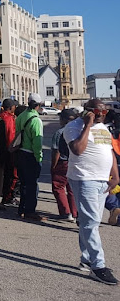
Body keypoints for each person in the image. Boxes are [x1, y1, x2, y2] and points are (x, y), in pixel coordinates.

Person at [64, 100, 119, 285]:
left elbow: (109, 151)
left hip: (103, 180)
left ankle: (87, 258)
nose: (103, 114)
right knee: (91, 221)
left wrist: (115, 175)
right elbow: (78, 150)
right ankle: (98, 265)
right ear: (88, 112)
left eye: (105, 111)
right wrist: (87, 125)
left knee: (91, 221)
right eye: (98, 111)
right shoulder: (73, 127)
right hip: (83, 178)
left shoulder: (103, 127)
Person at [15, 93, 45, 222]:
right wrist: (39, 158)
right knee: (32, 184)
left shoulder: (21, 116)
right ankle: (30, 211)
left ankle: (22, 208)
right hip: (30, 154)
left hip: (20, 152)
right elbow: (37, 143)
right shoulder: (36, 120)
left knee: (23, 183)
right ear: (39, 105)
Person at [51, 108, 79, 222]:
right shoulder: (77, 131)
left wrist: (53, 165)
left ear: (63, 120)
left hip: (62, 162)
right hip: (73, 162)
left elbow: (56, 151)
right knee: (71, 188)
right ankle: (74, 212)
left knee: (58, 187)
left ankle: (65, 212)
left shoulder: (59, 132)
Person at [0, 99, 19, 205]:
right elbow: (10, 135)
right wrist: (13, 149)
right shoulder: (9, 118)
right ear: (11, 107)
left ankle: (4, 195)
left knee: (4, 175)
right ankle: (8, 196)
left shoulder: (0, 116)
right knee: (12, 175)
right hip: (9, 151)